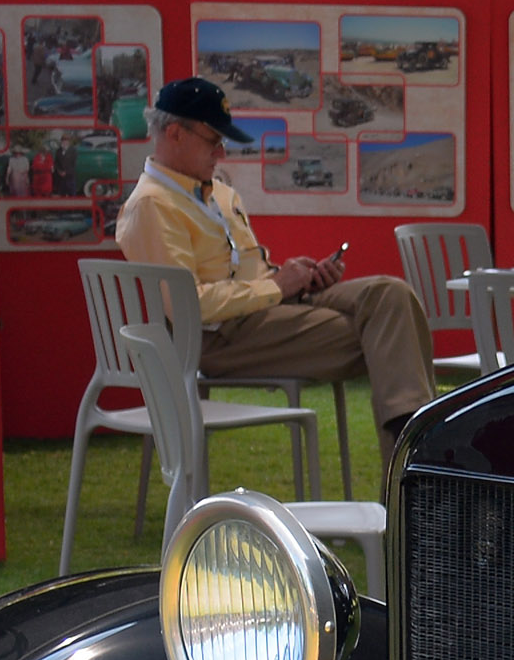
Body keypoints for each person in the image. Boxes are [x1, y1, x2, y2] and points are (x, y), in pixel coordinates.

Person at [115, 76, 437, 432]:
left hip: (265, 310)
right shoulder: (151, 205)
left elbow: (244, 269)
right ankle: (414, 459)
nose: (221, 153)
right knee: (392, 338)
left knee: (391, 295)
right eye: (213, 141)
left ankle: (413, 455)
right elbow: (188, 305)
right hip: (220, 338)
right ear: (175, 134)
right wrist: (276, 288)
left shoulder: (219, 193)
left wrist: (295, 277)